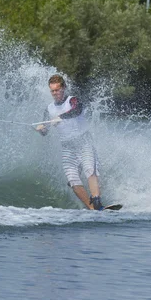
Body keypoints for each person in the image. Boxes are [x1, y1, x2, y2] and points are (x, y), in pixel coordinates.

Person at [36, 74, 104, 210]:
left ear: (64, 88)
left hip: (83, 142)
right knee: (72, 180)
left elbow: (77, 110)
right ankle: (92, 209)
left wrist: (61, 117)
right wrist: (41, 129)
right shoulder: (49, 109)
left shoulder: (72, 100)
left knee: (89, 169)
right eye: (52, 91)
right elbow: (46, 132)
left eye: (57, 90)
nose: (55, 93)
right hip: (67, 147)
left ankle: (97, 201)